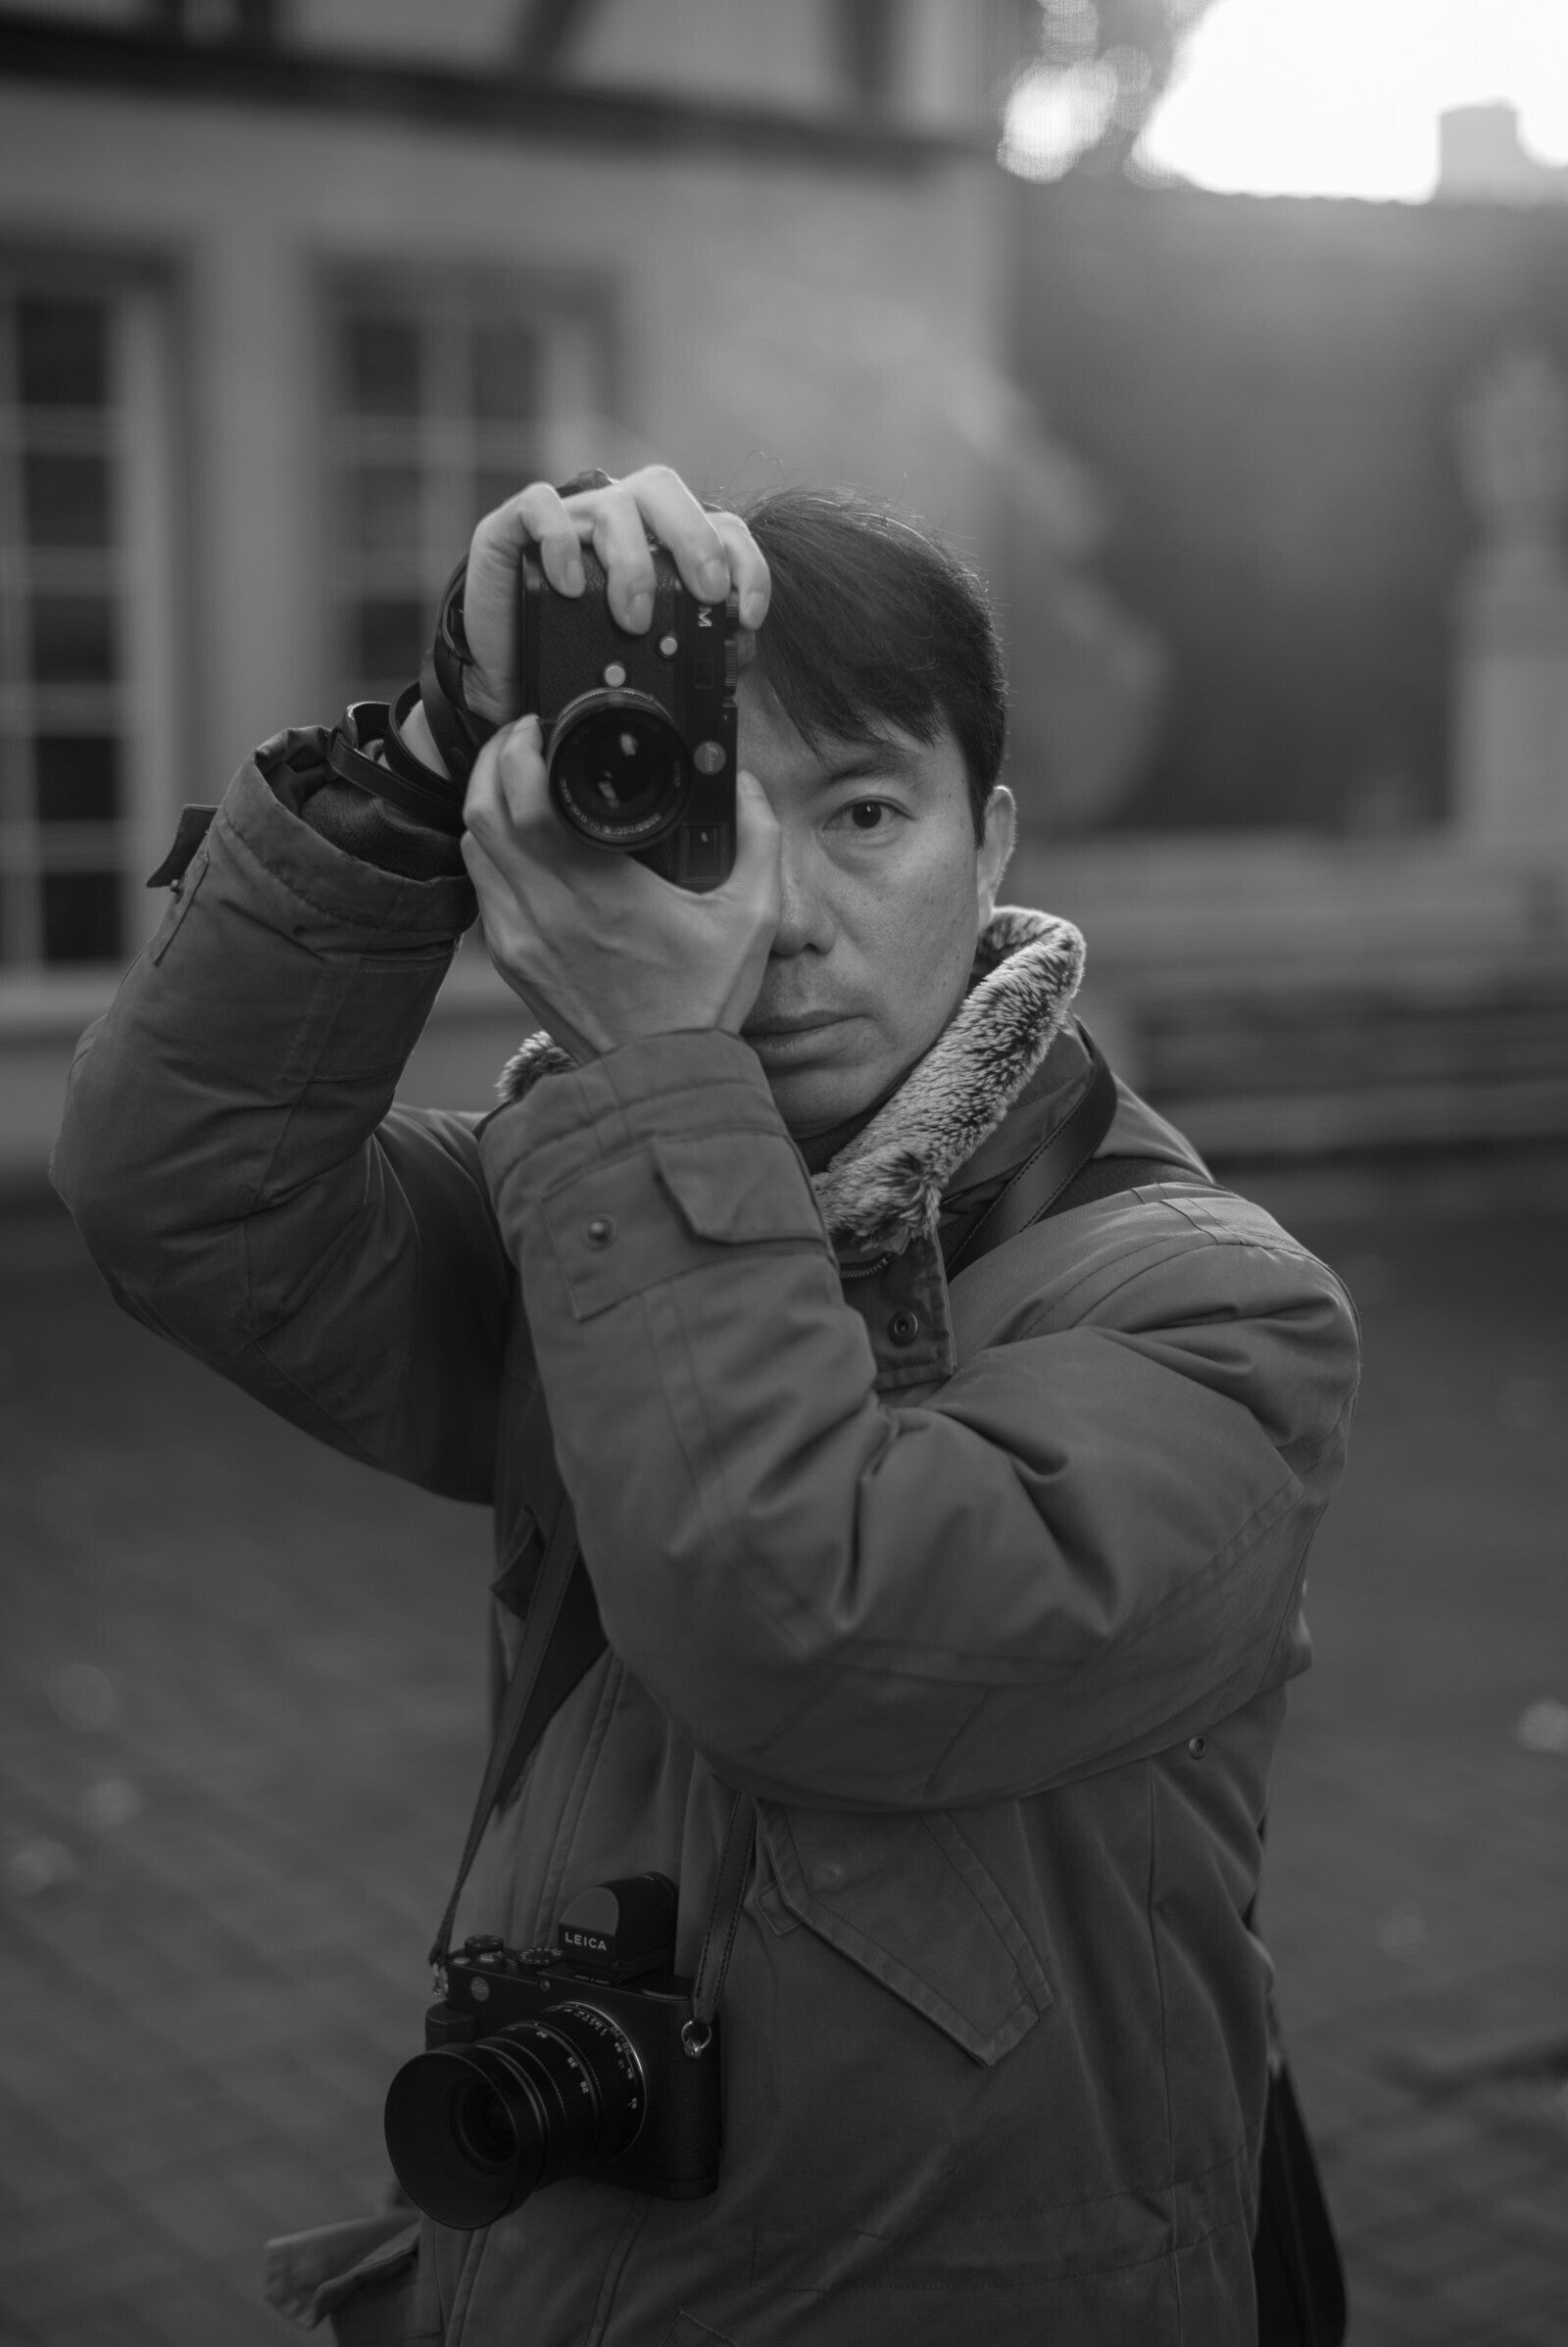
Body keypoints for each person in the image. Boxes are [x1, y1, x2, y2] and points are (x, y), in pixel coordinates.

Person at [52, 465, 1359, 2346]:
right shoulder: (587, 1214)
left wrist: (656, 1056)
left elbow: (810, 1629)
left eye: (866, 814)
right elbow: (184, 1192)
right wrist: (423, 758)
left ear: (991, 840)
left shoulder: (1216, 1310)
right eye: (705, 820)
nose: (787, 915)